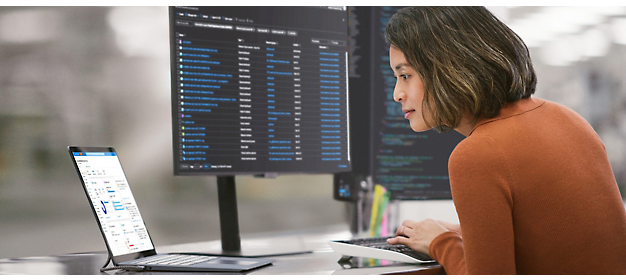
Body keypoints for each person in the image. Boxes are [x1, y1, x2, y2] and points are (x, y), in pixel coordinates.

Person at [384, 7, 626, 274]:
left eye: (405, 75)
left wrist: (442, 243)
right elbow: (560, 238)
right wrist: (470, 234)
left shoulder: (476, 155)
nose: (397, 94)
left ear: (449, 67)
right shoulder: (568, 119)